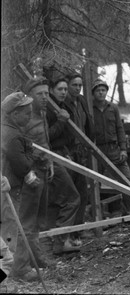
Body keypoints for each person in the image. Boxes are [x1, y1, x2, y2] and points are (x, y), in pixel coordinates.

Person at [1, 91, 52, 281]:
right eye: (26, 113)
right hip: (9, 189)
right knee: (14, 228)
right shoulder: (12, 136)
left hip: (9, 186)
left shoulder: (9, 130)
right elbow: (22, 164)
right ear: (14, 114)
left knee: (12, 227)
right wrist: (31, 156)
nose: (30, 116)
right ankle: (19, 270)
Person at [45, 74, 81, 254]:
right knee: (71, 198)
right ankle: (59, 242)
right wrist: (61, 121)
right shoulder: (47, 109)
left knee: (59, 199)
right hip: (51, 157)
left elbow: (66, 136)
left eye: (65, 89)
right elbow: (47, 137)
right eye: (60, 89)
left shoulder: (62, 107)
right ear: (51, 90)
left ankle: (57, 240)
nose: (64, 92)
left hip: (63, 154)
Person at [92, 78, 130, 218]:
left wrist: (123, 148)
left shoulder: (113, 108)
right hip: (96, 149)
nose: (101, 93)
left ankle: (129, 210)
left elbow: (119, 129)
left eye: (103, 90)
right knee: (94, 183)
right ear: (93, 93)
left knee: (126, 179)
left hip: (113, 149)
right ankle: (96, 215)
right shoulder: (89, 109)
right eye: (98, 90)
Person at [64, 70, 95, 244]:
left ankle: (79, 229)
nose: (77, 88)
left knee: (83, 192)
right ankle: (69, 233)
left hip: (82, 151)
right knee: (71, 193)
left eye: (80, 85)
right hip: (68, 152)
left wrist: (91, 141)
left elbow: (87, 122)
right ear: (67, 86)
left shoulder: (81, 100)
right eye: (74, 85)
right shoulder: (61, 103)